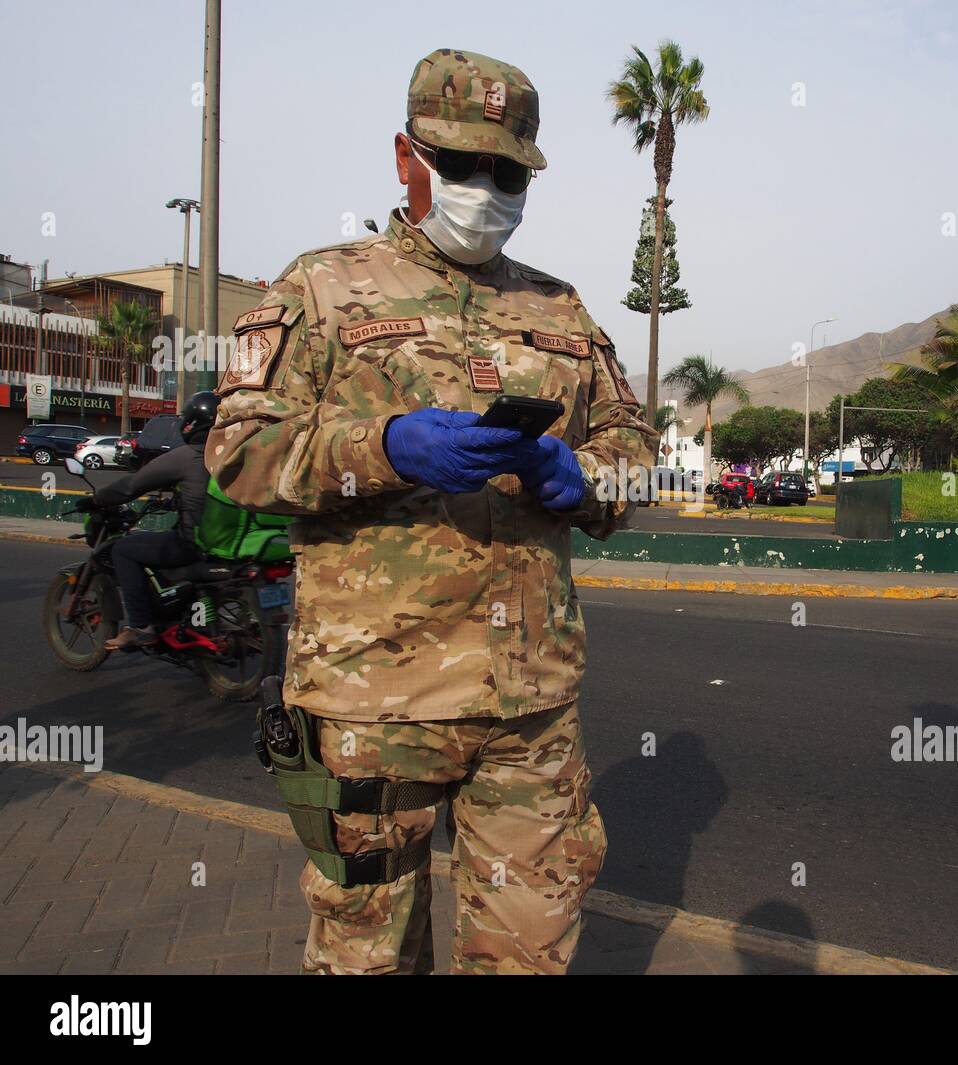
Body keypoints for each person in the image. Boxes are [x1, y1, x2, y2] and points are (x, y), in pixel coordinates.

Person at [205, 48, 657, 975]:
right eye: (462, 165)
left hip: (528, 709)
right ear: (406, 156)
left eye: (506, 172)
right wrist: (386, 447)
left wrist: (588, 481)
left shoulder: (560, 310)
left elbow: (638, 456)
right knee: (367, 957)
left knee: (531, 956)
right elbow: (239, 452)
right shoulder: (319, 289)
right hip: (376, 701)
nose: (484, 189)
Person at [81, 391, 218, 650]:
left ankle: (141, 626)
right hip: (231, 542)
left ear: (191, 423)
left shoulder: (187, 456)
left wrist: (97, 500)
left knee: (123, 550)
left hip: (193, 543)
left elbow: (132, 485)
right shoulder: (230, 456)